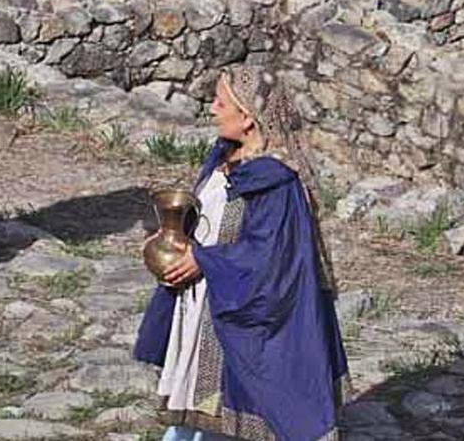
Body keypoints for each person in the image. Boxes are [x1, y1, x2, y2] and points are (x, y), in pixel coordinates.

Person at [134, 66, 348, 441]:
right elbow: (210, 222)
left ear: (248, 117)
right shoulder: (224, 159)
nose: (212, 109)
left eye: (221, 102)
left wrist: (202, 260)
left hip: (243, 310)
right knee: (198, 420)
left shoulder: (275, 183)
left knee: (242, 411)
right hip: (206, 306)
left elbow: (270, 260)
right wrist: (171, 240)